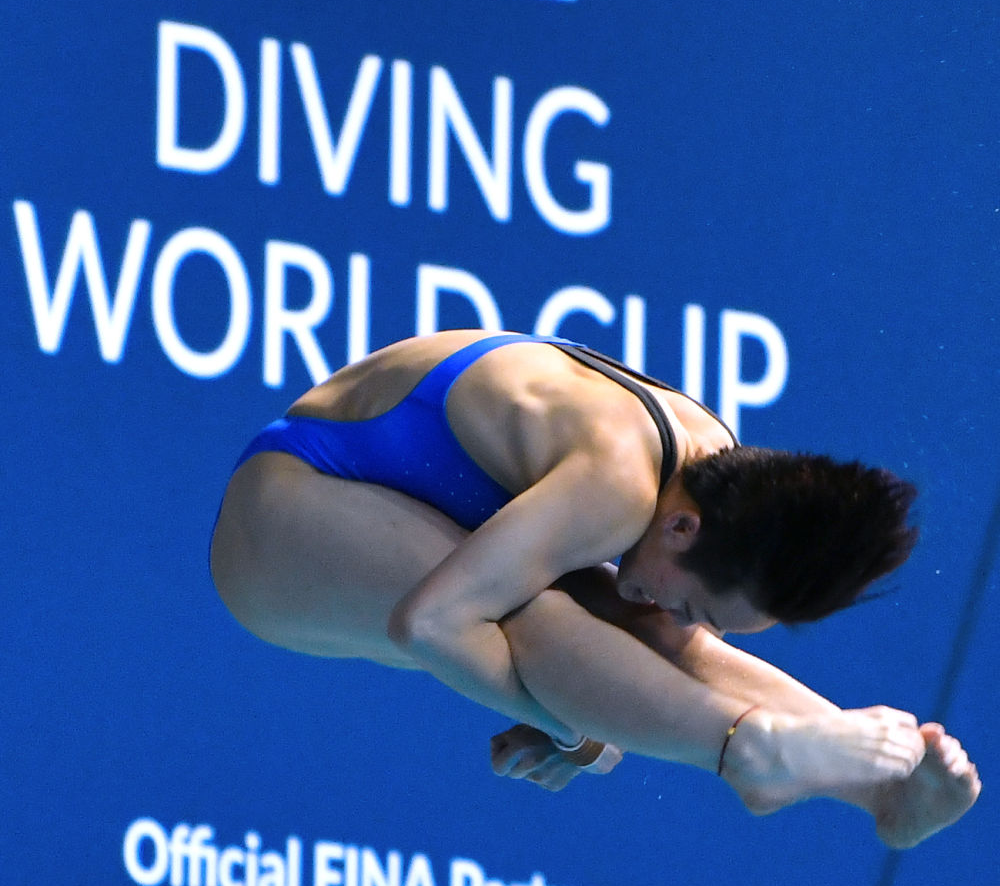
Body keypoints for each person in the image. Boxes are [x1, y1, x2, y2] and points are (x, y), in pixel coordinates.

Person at [210, 329, 979, 847]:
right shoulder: (619, 478)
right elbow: (433, 624)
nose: (678, 616)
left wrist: (584, 709)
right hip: (284, 513)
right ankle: (747, 751)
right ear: (683, 528)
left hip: (398, 503)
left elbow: (663, 647)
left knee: (642, 631)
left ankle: (880, 787)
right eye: (696, 605)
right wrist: (574, 727)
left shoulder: (709, 463)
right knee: (533, 615)